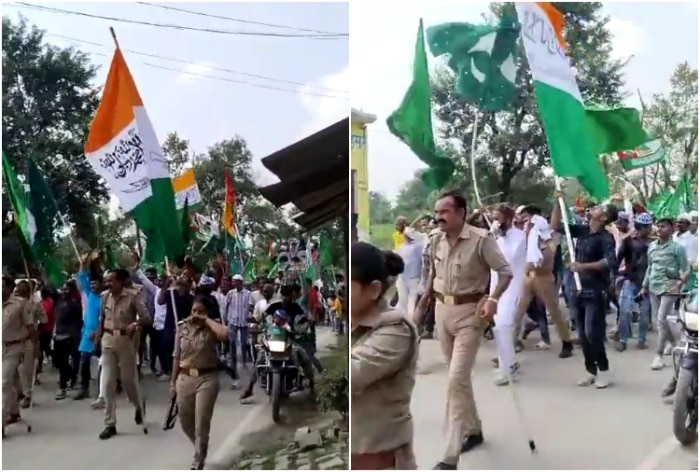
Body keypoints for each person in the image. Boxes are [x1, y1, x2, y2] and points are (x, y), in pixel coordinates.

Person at [414, 191, 512, 470]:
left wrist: (493, 299)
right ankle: (474, 430)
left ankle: (450, 455)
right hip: (442, 312)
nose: (438, 217)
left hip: (471, 313)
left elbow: (505, 272)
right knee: (459, 380)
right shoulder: (434, 241)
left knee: (456, 379)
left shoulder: (481, 240)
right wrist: (420, 310)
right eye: (437, 211)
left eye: (445, 211)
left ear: (461, 213)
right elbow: (431, 278)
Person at [351, 243, 418, 470]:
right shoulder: (352, 320)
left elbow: (353, 373)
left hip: (380, 456)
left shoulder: (395, 328)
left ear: (373, 290)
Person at [551, 193, 617, 388]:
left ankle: (603, 369)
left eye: (599, 208)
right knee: (581, 334)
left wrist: (583, 267)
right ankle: (590, 370)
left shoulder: (606, 238)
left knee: (592, 332)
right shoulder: (582, 231)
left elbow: (610, 262)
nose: (593, 208)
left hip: (594, 290)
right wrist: (557, 201)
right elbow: (555, 226)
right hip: (575, 290)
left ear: (604, 218)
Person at [171, 296, 229, 470]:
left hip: (207, 378)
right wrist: (172, 383)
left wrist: (207, 320)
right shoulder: (182, 327)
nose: (196, 314)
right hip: (185, 377)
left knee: (201, 421)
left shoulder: (212, 328)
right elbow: (176, 357)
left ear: (207, 312)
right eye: (194, 310)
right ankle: (200, 445)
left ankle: (198, 459)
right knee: (185, 421)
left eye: (200, 311)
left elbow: (225, 334)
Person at [94, 268, 151, 440]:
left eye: (111, 280)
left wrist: (136, 324)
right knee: (108, 383)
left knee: (128, 381)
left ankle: (139, 405)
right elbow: (102, 318)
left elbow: (146, 317)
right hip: (108, 341)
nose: (108, 284)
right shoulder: (104, 296)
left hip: (126, 341)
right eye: (107, 281)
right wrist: (98, 335)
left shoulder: (134, 296)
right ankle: (109, 423)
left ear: (120, 281)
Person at [513, 207, 574, 358]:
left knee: (554, 313)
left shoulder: (547, 237)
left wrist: (556, 204)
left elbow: (553, 224)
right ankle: (510, 344)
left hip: (544, 278)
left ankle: (567, 342)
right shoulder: (529, 237)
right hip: (529, 278)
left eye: (527, 217)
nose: (525, 220)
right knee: (518, 312)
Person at [643, 217, 689, 371]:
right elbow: (649, 267)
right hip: (653, 286)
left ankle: (658, 355)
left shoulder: (677, 248)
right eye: (658, 226)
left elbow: (686, 270)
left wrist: (678, 285)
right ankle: (675, 343)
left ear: (671, 229)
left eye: (663, 226)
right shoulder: (652, 247)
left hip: (669, 288)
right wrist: (644, 286)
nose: (659, 229)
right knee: (659, 321)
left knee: (662, 320)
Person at [489, 205, 527, 386]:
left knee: (504, 324)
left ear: (509, 219)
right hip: (496, 287)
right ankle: (509, 363)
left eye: (499, 218)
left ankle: (506, 368)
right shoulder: (494, 237)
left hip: (513, 287)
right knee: (500, 325)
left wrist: (497, 238)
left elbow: (509, 260)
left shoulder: (519, 237)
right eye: (494, 218)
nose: (496, 222)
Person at [2, 276, 35, 437]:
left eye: (2, 286)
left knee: (4, 382)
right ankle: (13, 412)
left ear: (9, 288)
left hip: (14, 347)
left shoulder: (20, 305)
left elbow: (30, 327)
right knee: (12, 382)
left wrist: (35, 348)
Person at [616, 213, 653, 351]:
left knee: (644, 313)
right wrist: (614, 276)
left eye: (648, 226)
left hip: (647, 282)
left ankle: (641, 340)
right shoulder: (629, 241)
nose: (647, 229)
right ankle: (622, 340)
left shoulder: (653, 243)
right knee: (625, 310)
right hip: (630, 280)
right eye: (644, 226)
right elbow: (618, 258)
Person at [14, 279, 46, 409]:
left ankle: (27, 395)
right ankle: (18, 393)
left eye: (22, 289)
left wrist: (37, 313)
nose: (19, 292)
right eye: (17, 289)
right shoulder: (11, 304)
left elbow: (44, 319)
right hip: (12, 341)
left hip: (28, 339)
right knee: (14, 370)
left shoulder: (34, 304)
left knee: (27, 369)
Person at [157, 275, 195, 379]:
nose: (181, 287)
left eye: (183, 285)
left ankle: (182, 370)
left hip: (184, 325)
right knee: (166, 346)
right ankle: (167, 370)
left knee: (183, 349)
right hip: (170, 325)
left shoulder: (190, 297)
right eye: (179, 285)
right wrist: (166, 286)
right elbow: (160, 301)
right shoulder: (171, 294)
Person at [75, 262, 103, 400]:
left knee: (105, 363)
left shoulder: (105, 298)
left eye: (95, 284)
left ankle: (105, 390)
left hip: (101, 335)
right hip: (87, 335)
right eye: (91, 284)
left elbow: (105, 318)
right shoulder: (89, 295)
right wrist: (83, 264)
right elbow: (81, 278)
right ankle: (83, 389)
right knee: (84, 362)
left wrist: (98, 332)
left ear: (101, 284)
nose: (92, 286)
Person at [52, 282, 84, 400]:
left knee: (65, 362)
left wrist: (74, 335)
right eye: (63, 289)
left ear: (71, 291)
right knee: (61, 363)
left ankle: (62, 387)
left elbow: (79, 321)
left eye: (67, 289)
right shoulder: (59, 302)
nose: (64, 291)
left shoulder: (75, 305)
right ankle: (70, 377)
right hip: (58, 336)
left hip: (70, 336)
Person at [224, 274, 252, 388]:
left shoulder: (247, 294)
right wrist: (225, 319)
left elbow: (250, 307)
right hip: (233, 320)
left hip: (244, 321)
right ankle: (233, 359)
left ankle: (245, 359)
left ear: (240, 282)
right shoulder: (231, 293)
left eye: (235, 281)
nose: (233, 283)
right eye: (233, 281)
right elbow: (226, 306)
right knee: (232, 342)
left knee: (245, 342)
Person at [396, 228, 424, 318]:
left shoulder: (418, 247)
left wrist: (422, 280)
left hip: (414, 277)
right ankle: (403, 320)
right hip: (403, 277)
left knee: (412, 301)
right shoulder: (402, 247)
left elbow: (422, 263)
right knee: (402, 301)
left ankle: (412, 321)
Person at [36, 287, 56, 384]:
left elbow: (43, 317)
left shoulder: (48, 303)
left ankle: (38, 368)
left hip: (45, 330)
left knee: (42, 349)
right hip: (44, 329)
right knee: (45, 348)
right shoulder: (44, 302)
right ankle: (54, 359)